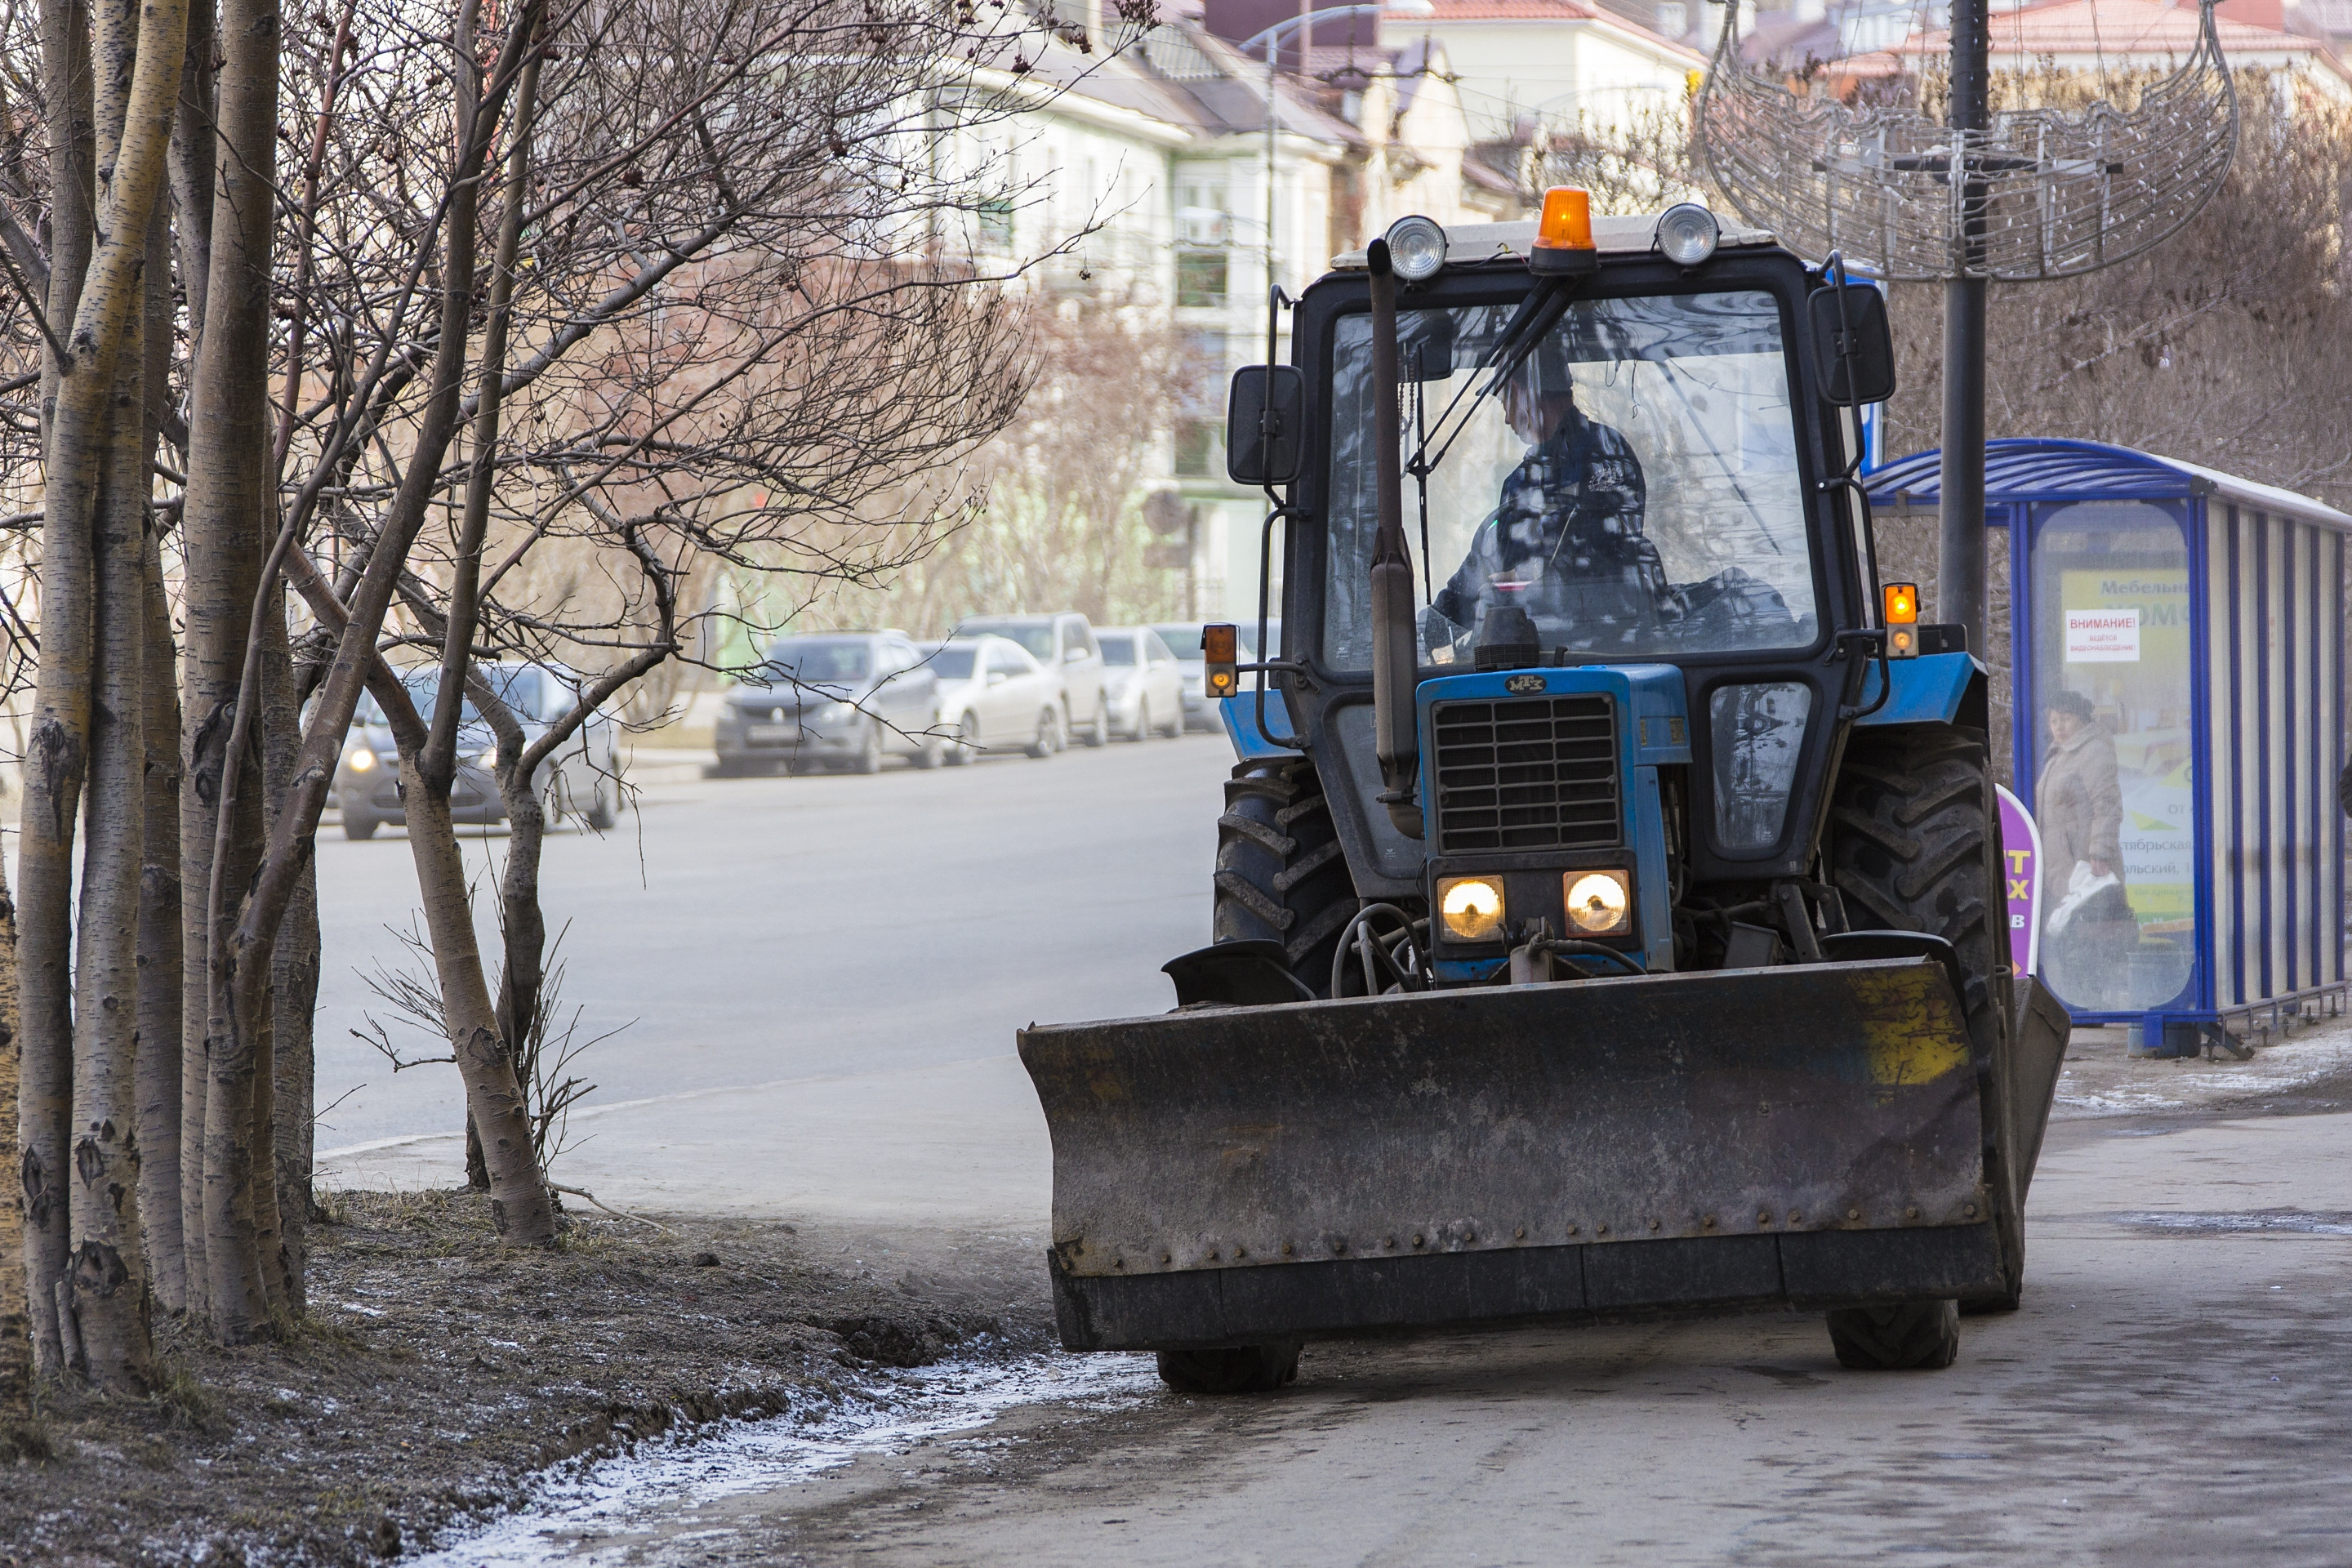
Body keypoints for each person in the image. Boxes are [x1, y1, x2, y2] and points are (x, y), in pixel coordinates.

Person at [1430, 350, 1673, 649]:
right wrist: (1424, 631)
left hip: (1607, 654)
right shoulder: (1519, 482)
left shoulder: (1608, 457)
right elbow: (1484, 562)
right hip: (1526, 655)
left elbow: (1606, 553)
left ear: (1522, 393)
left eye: (1505, 402)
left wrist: (1528, 577)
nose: (1507, 419)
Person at [2037, 688, 2134, 1007]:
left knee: (2088, 935)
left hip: (2084, 863)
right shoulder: (2060, 755)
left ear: (2081, 719)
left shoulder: (2093, 751)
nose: (2059, 727)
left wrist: (2100, 852)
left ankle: (2088, 1003)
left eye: (2065, 719)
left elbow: (2107, 803)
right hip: (2058, 864)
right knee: (2067, 935)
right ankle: (2074, 1003)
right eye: (2053, 720)